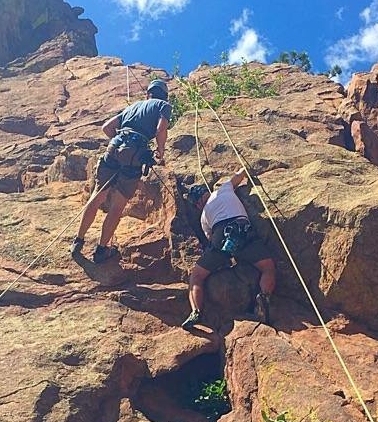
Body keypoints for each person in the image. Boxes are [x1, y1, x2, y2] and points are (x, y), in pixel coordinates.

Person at [71, 78, 172, 264]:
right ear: (164, 95)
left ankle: (78, 241)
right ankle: (101, 250)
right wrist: (160, 151)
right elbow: (161, 129)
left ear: (147, 93)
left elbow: (106, 127)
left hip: (114, 147)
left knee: (97, 196)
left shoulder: (132, 107)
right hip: (135, 153)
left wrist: (118, 141)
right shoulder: (163, 105)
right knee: (117, 206)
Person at [182, 168, 276, 329]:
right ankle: (264, 297)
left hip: (222, 234)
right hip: (244, 230)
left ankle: (196, 311)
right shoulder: (224, 189)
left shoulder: (204, 216)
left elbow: (211, 240)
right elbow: (239, 175)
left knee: (197, 276)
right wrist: (245, 169)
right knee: (268, 268)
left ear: (198, 203)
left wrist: (220, 258)